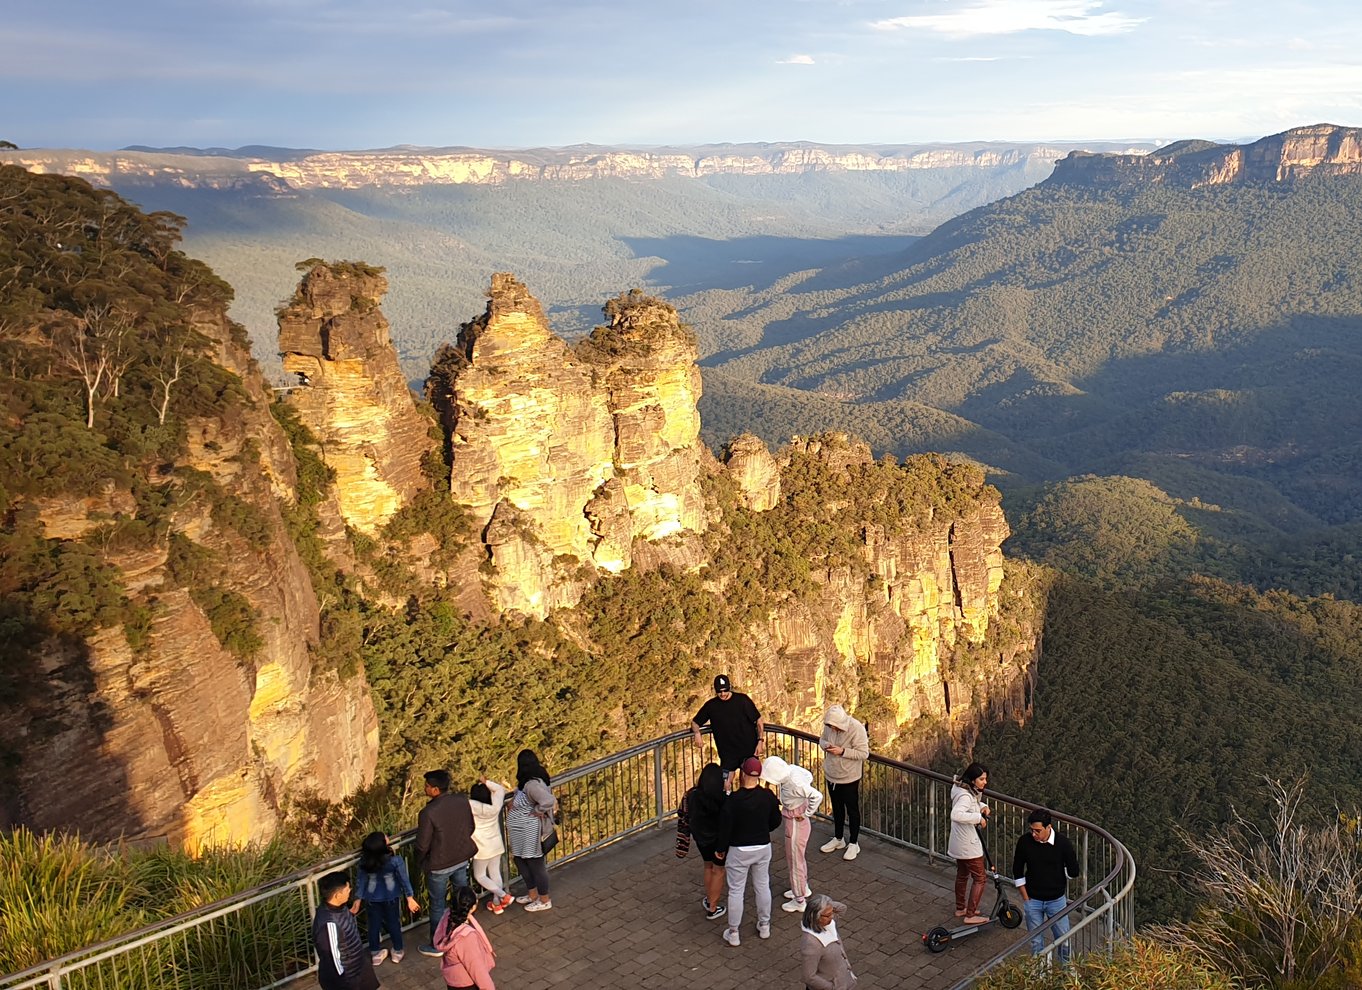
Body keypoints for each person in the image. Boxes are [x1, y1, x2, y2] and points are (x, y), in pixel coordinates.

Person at [715, 755, 782, 947]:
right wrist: (762, 830)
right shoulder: (768, 796)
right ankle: (764, 925)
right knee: (762, 885)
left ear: (742, 774)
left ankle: (734, 932)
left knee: (736, 890)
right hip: (762, 847)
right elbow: (776, 820)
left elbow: (725, 827)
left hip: (739, 850)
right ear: (759, 776)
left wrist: (720, 849)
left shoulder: (734, 800)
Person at [417, 770, 478, 956]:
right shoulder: (461, 800)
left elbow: (422, 843)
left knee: (437, 904)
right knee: (462, 899)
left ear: (435, 790)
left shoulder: (428, 812)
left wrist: (422, 862)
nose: (425, 788)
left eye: (427, 786)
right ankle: (463, 933)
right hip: (460, 857)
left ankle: (438, 944)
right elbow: (470, 826)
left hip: (439, 864)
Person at [1012, 809, 1080, 962]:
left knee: (1064, 940)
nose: (1034, 834)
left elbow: (1074, 870)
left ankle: (1066, 973)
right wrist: (1026, 899)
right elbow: (1017, 870)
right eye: (1032, 830)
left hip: (1056, 900)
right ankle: (1039, 974)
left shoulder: (1063, 844)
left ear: (1048, 827)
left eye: (1037, 831)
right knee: (1036, 941)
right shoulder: (1025, 841)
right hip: (1033, 899)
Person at [759, 755, 823, 915]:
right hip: (797, 819)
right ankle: (803, 887)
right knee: (799, 859)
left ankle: (799, 899)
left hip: (796, 822)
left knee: (795, 862)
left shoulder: (794, 784)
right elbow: (808, 776)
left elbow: (817, 796)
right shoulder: (793, 772)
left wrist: (807, 813)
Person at [351, 832, 419, 966]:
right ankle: (398, 951)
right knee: (394, 923)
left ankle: (375, 953)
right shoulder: (394, 861)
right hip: (391, 897)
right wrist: (409, 898)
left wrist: (357, 900)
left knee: (374, 926)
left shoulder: (365, 862)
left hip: (372, 898)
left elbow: (361, 882)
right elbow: (404, 880)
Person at [691, 674, 764, 787]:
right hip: (727, 755)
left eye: (725, 690)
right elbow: (695, 722)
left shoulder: (742, 700)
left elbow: (759, 720)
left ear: (729, 687)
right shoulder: (711, 706)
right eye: (719, 691)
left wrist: (760, 741)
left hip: (748, 751)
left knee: (747, 784)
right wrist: (697, 734)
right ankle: (728, 802)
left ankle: (743, 803)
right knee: (725, 785)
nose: (723, 694)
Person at [507, 748, 557, 912]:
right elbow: (521, 795)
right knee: (520, 860)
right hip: (520, 831)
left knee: (535, 864)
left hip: (529, 831)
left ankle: (544, 899)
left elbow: (548, 800)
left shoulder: (532, 784)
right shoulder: (527, 783)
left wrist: (538, 811)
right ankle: (533, 894)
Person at [312, 871, 380, 990]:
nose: (350, 891)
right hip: (346, 979)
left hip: (359, 966)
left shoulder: (339, 907)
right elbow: (332, 960)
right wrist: (346, 983)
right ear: (337, 895)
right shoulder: (328, 924)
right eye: (347, 889)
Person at [818, 705, 869, 861]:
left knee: (852, 810)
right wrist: (825, 746)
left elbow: (863, 753)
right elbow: (822, 739)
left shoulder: (856, 728)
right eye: (830, 725)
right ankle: (838, 838)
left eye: (834, 726)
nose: (832, 728)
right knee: (837, 808)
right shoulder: (829, 727)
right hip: (832, 774)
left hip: (849, 777)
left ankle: (854, 842)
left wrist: (842, 751)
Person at [681, 763, 728, 919]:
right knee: (718, 870)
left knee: (707, 866)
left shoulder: (692, 795)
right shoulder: (722, 800)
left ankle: (709, 900)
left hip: (701, 839)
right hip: (718, 841)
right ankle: (713, 908)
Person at [948, 762, 991, 926]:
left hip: (959, 842)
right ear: (973, 780)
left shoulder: (962, 790)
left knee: (962, 874)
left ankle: (961, 908)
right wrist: (978, 819)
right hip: (968, 844)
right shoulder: (965, 795)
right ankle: (971, 914)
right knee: (980, 878)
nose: (984, 782)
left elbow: (971, 805)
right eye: (981, 779)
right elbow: (957, 813)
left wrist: (983, 806)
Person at [433, 885, 497, 990]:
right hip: (467, 983)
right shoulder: (466, 938)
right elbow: (477, 969)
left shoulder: (447, 917)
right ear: (472, 907)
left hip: (453, 980)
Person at [469, 778, 514, 914]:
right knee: (495, 873)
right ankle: (496, 904)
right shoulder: (495, 804)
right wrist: (486, 782)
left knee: (480, 875)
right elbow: (500, 789)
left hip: (481, 847)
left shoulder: (471, 805)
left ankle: (503, 895)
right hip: (496, 843)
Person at [800, 894, 858, 990]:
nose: (832, 917)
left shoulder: (826, 923)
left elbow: (842, 908)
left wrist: (827, 904)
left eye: (832, 913)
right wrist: (832, 987)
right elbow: (808, 977)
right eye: (828, 915)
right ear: (815, 916)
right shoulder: (811, 944)